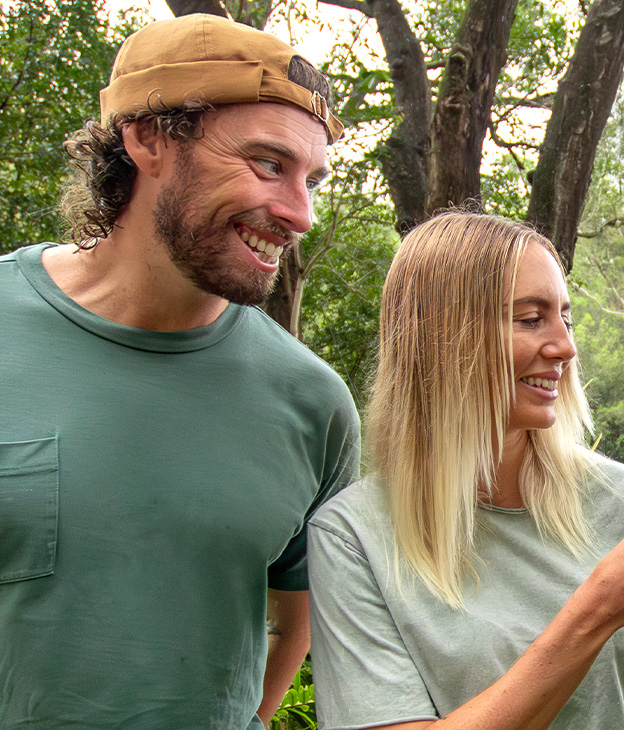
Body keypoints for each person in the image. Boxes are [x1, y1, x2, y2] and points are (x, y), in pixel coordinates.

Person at [0, 14, 360, 729]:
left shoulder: (312, 403)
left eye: (311, 178)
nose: (300, 213)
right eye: (268, 163)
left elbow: (303, 613)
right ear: (149, 137)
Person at [308, 212, 624, 730]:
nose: (565, 347)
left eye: (565, 319)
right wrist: (597, 611)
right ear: (441, 337)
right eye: (530, 319)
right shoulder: (352, 536)